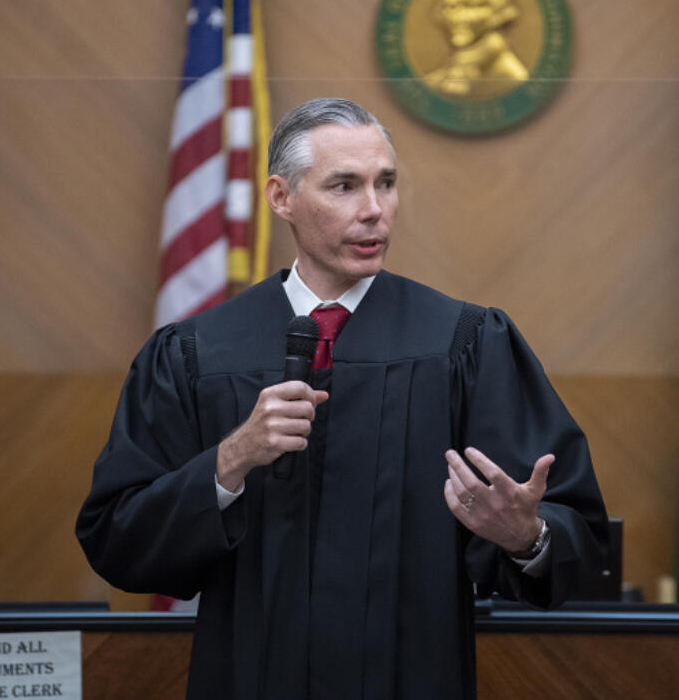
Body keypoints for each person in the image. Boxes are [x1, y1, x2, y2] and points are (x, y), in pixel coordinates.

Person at [76, 98, 609, 700]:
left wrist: (526, 536)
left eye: (386, 183)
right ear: (281, 197)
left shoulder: (464, 344)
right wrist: (227, 464)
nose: (374, 210)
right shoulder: (197, 354)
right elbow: (116, 541)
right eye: (345, 186)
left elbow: (579, 544)